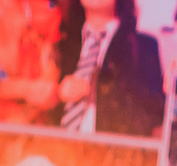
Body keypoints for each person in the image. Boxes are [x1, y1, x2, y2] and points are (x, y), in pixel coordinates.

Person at [55, 0, 165, 137]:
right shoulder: (61, 41)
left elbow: (153, 116)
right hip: (56, 145)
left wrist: (103, 89)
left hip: (113, 147)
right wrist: (57, 93)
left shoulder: (143, 47)